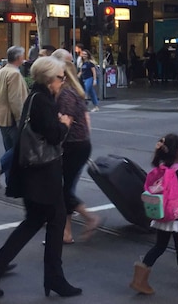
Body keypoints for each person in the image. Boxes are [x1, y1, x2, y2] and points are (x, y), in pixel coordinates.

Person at [0, 57, 81, 298]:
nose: (63, 81)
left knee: (34, 221)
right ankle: (54, 278)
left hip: (32, 174)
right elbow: (54, 135)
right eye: (60, 77)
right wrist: (65, 124)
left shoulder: (35, 97)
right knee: (55, 220)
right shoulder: (42, 102)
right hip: (43, 174)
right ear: (49, 79)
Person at [131, 134, 178, 295]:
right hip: (177, 217)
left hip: (162, 214)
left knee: (159, 246)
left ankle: (139, 277)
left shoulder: (159, 169)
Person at [53, 57, 100, 244]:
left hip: (73, 145)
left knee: (62, 190)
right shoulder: (75, 92)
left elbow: (66, 123)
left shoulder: (65, 95)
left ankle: (89, 217)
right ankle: (66, 232)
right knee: (65, 188)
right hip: (79, 144)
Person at [0, 46, 29, 152]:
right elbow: (15, 99)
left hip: (1, 116)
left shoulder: (2, 71)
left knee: (8, 148)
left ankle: (4, 167)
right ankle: (2, 167)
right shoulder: (14, 74)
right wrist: (20, 119)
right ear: (19, 57)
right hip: (11, 118)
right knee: (15, 151)